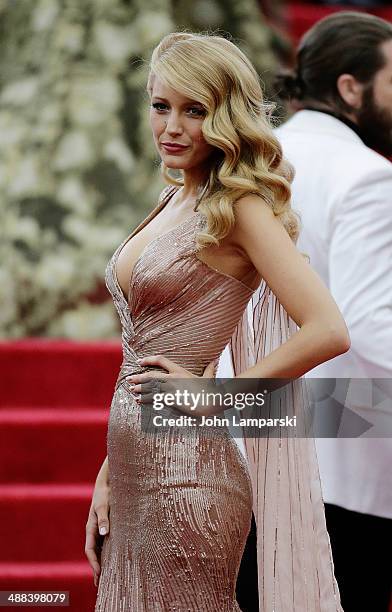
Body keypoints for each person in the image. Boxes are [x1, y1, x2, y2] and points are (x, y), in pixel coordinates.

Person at [85, 32, 350, 611]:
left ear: (225, 116)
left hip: (192, 477)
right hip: (135, 464)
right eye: (161, 106)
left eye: (195, 110)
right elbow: (141, 361)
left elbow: (328, 328)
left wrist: (219, 394)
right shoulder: (170, 199)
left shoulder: (241, 209)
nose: (172, 127)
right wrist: (111, 471)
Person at [263, 11, 392, 612]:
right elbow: (373, 327)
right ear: (350, 87)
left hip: (245, 445)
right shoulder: (367, 177)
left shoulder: (247, 163)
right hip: (347, 472)